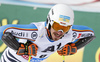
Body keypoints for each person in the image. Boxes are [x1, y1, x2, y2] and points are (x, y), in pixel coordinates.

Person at [0, 4, 95, 62]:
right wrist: (20, 48)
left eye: (65, 28)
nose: (60, 32)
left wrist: (74, 46)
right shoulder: (36, 32)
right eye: (57, 26)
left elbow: (90, 34)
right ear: (49, 22)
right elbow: (2, 31)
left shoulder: (70, 34)